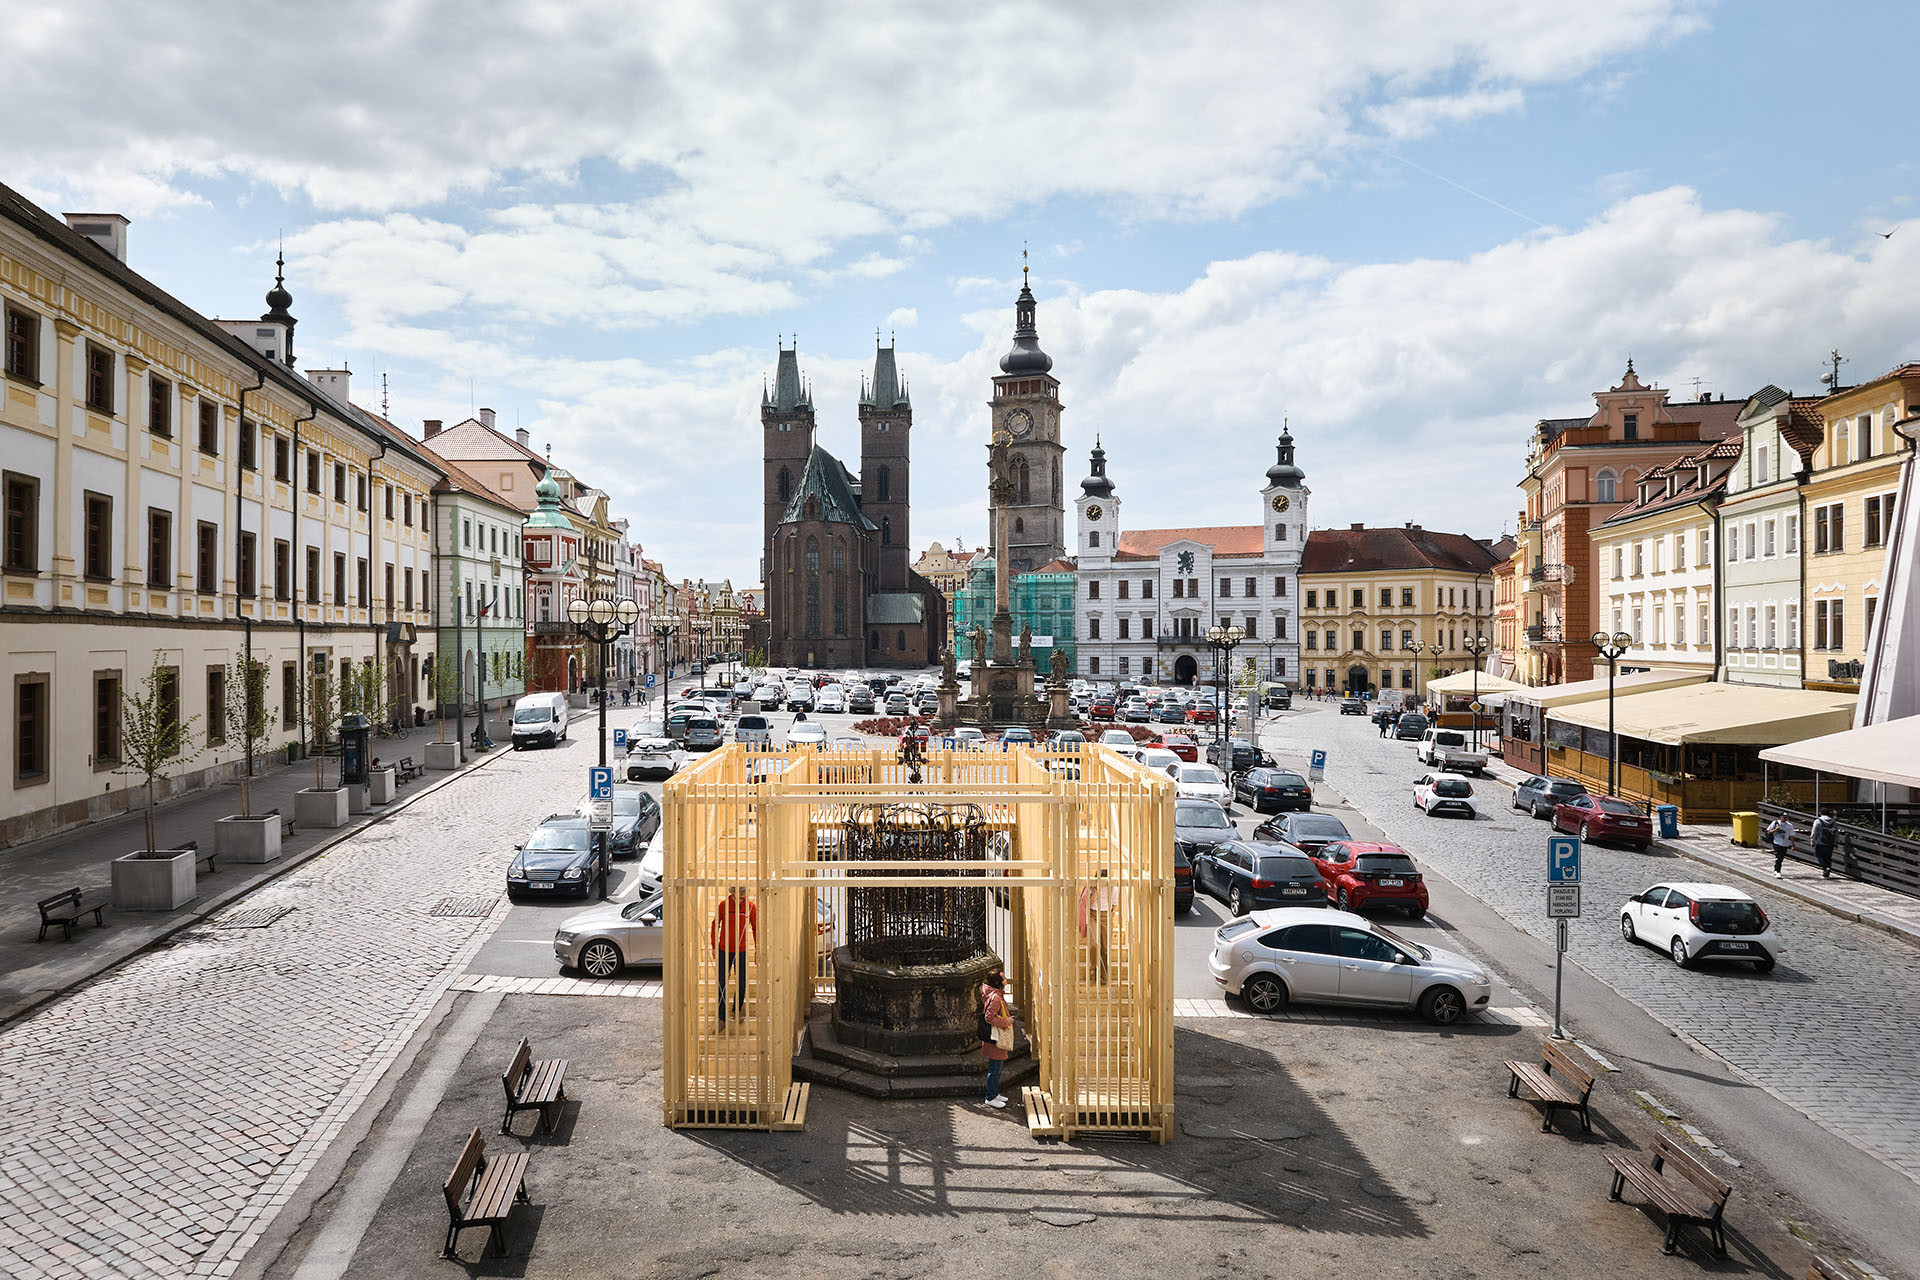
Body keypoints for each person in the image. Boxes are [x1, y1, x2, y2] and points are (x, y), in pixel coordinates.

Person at [710, 886, 756, 1028]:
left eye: (743, 895)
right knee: (722, 983)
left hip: (741, 951)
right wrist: (714, 946)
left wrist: (758, 949)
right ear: (732, 893)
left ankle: (737, 1009)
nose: (741, 897)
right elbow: (715, 924)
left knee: (741, 982)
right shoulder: (723, 905)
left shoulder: (750, 907)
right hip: (723, 950)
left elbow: (756, 928)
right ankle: (722, 1018)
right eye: (738, 894)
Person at [979, 969, 1014, 1109]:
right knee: (995, 1069)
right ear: (998, 982)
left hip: (995, 1038)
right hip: (996, 1039)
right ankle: (990, 1097)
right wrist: (1006, 1021)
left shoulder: (995, 995)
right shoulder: (997, 998)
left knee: (997, 1068)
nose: (1006, 979)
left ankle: (994, 1093)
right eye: (1003, 977)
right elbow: (989, 1018)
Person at [1079, 869, 1118, 984]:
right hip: (1093, 914)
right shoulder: (1092, 887)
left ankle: (1104, 974)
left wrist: (1110, 916)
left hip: (1106, 915)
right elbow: (1088, 903)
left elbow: (1115, 906)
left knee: (1105, 947)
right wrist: (1095, 892)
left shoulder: (1113, 888)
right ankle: (1093, 969)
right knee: (1094, 943)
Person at [1765, 812, 1797, 877]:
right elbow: (1768, 832)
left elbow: (1791, 835)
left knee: (1780, 858)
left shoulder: (1789, 825)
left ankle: (1775, 869)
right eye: (1783, 817)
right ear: (1780, 817)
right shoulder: (1775, 823)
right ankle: (1778, 871)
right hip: (1776, 842)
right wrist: (1775, 830)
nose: (1785, 819)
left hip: (1785, 844)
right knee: (1779, 857)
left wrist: (1793, 844)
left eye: (1786, 817)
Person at [1810, 810, 1839, 879]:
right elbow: (1836, 833)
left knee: (1819, 855)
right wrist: (1836, 843)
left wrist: (1812, 841)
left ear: (1820, 813)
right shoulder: (1833, 822)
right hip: (1830, 843)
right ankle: (1827, 870)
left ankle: (1825, 867)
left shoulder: (1818, 821)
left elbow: (1814, 832)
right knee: (1828, 857)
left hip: (1820, 842)